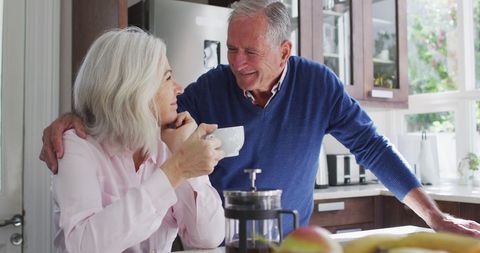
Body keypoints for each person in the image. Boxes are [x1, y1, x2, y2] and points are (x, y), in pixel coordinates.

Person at [41, 0, 480, 238]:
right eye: (232, 49)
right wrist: (78, 117)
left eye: (251, 52)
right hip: (218, 244)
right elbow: (138, 107)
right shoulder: (209, 90)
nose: (237, 62)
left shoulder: (319, 86)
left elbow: (373, 148)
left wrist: (434, 216)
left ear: (284, 51)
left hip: (294, 240)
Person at [50, 27, 225, 253]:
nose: (179, 89)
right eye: (168, 77)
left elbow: (208, 238)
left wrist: (187, 161)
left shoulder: (167, 145)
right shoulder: (77, 146)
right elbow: (84, 246)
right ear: (134, 89)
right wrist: (177, 169)